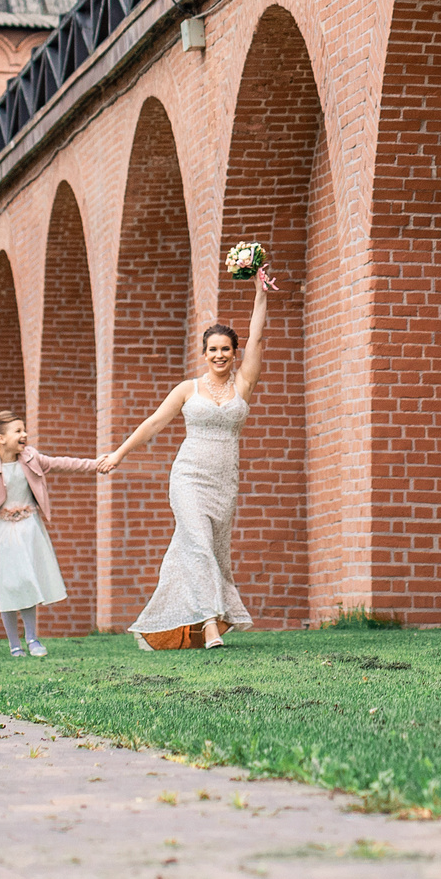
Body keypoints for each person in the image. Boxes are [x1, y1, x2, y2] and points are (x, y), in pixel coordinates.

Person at [117, 264, 279, 650]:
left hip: (224, 481)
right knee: (200, 546)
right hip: (188, 477)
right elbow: (155, 423)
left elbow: (257, 338)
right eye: (213, 350)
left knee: (206, 551)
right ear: (204, 353)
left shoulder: (243, 384)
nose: (219, 355)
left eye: (226, 349)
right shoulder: (188, 389)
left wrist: (260, 293)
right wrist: (120, 453)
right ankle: (208, 625)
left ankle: (167, 626)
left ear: (233, 353)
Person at [0, 409, 128, 655]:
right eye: (18, 431)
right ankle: (14, 644)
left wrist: (97, 464)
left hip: (28, 529)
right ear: (1, 438)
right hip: (1, 532)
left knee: (26, 581)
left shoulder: (31, 458)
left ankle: (32, 639)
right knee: (9, 586)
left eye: (24, 429)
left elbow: (64, 463)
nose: (24, 434)